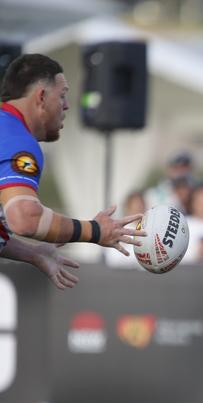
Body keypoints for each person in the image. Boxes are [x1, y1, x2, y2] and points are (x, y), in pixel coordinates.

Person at [0, 54, 144, 271]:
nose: (66, 106)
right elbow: (24, 217)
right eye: (62, 96)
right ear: (41, 97)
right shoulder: (17, 139)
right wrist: (94, 230)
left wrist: (32, 253)